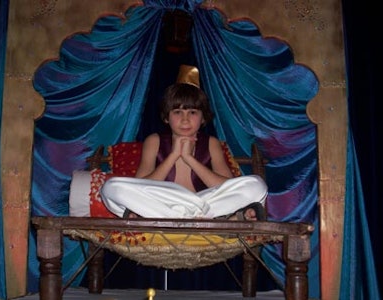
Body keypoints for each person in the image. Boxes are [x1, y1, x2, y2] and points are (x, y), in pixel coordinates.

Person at [100, 65, 267, 221]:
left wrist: (189, 159)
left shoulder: (211, 143)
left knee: (257, 185)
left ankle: (175, 216)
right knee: (110, 188)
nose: (185, 119)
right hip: (164, 202)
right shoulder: (154, 141)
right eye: (177, 112)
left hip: (204, 202)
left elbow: (227, 187)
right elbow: (141, 185)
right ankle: (206, 217)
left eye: (193, 112)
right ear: (166, 117)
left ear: (203, 118)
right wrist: (173, 156)